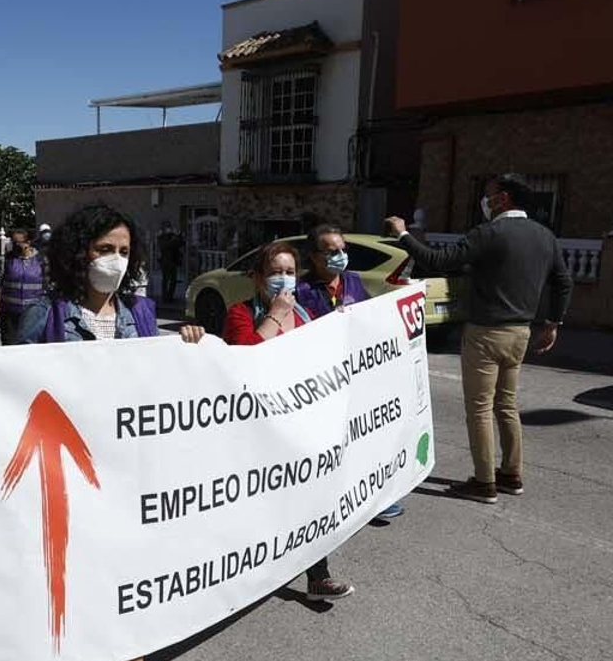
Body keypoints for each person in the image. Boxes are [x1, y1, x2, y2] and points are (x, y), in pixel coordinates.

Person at [0, 203, 206, 661]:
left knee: (131, 574)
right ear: (79, 254)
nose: (115, 260)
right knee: (73, 575)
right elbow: (7, 384)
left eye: (124, 251)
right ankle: (52, 647)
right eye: (104, 249)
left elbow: (169, 383)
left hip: (129, 473)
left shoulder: (142, 316)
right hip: (69, 474)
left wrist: (193, 347)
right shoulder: (47, 315)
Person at [387, 174, 574, 503]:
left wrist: (403, 233)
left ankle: (484, 482)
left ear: (503, 198)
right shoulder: (545, 236)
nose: (484, 202)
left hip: (486, 332)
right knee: (507, 405)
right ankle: (511, 474)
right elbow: (563, 281)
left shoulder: (489, 233)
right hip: (520, 332)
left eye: (489, 195)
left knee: (480, 409)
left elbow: (438, 261)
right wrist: (552, 323)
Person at [220, 241, 358, 602]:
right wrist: (275, 315)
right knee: (262, 505)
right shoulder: (240, 313)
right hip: (258, 428)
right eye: (275, 272)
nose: (284, 279)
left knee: (310, 498)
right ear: (257, 278)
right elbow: (244, 358)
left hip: (299, 424)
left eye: (290, 272)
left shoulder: (306, 314)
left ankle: (318, 576)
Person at [296, 222, 408, 523]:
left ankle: (374, 497)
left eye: (342, 249)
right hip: (321, 382)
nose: (340, 256)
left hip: (356, 377)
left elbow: (371, 320)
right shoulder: (300, 290)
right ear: (314, 256)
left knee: (363, 436)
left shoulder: (354, 282)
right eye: (331, 251)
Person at [0, 227, 44, 347]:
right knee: (9, 346)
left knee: (30, 346)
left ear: (28, 243)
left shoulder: (40, 261)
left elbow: (48, 284)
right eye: (13, 242)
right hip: (9, 313)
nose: (15, 245)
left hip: (32, 314)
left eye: (18, 243)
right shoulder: (8, 259)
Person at [155, 223, 185, 305]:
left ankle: (169, 296)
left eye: (169, 228)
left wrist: (179, 235)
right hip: (166, 261)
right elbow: (167, 245)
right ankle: (165, 297)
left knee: (173, 280)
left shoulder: (172, 236)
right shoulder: (162, 237)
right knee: (166, 279)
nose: (169, 229)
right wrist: (176, 237)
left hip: (173, 261)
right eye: (167, 228)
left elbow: (180, 243)